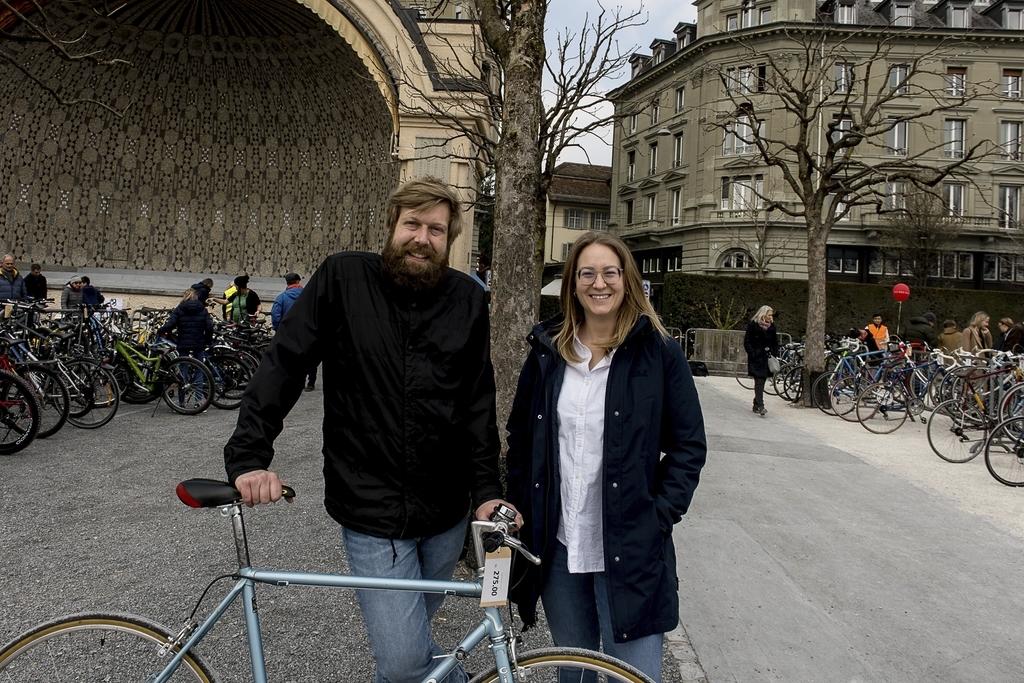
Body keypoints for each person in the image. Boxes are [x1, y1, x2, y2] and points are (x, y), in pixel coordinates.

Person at [223, 177, 515, 683]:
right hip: (370, 510)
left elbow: (476, 404)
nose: (423, 238)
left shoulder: (467, 298)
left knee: (408, 655)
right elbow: (285, 366)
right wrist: (249, 455)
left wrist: (487, 491)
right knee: (405, 662)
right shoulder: (343, 277)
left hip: (445, 512)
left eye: (437, 230)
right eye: (413, 224)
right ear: (390, 227)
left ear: (451, 241)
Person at [505, 231, 706, 682]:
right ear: (572, 283)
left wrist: (659, 515)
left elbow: (688, 446)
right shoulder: (547, 353)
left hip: (631, 547)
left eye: (610, 272)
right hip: (560, 547)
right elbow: (521, 435)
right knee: (573, 675)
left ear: (626, 278)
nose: (600, 283)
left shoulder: (659, 353)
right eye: (587, 273)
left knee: (631, 676)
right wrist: (524, 501)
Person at [157, 288, 214, 409]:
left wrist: (159, 331)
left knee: (183, 371)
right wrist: (207, 340)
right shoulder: (202, 309)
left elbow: (171, 324)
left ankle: (181, 402)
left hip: (183, 343)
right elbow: (209, 327)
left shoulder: (180, 308)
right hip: (199, 343)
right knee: (199, 370)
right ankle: (198, 401)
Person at [270, 272, 317, 391]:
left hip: (289, 333)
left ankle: (294, 381)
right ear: (298, 282)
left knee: (290, 357)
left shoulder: (282, 297)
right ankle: (311, 383)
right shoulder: (310, 296)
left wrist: (278, 329)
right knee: (310, 357)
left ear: (287, 283)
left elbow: (276, 316)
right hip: (308, 331)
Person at [743, 305, 779, 416]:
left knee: (761, 380)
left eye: (771, 315)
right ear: (763, 314)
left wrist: (774, 353)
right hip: (757, 357)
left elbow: (774, 342)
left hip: (767, 357)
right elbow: (747, 341)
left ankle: (756, 403)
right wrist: (753, 353)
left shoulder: (772, 327)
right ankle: (760, 405)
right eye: (769, 315)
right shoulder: (753, 326)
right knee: (759, 380)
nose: (770, 317)